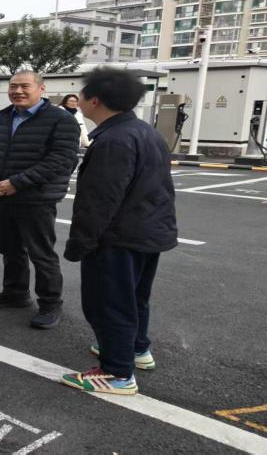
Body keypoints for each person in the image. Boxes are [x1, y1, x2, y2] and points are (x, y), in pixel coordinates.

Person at [60, 68, 177, 395]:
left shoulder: (113, 140)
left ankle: (116, 373)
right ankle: (137, 349)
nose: (78, 99)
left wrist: (80, 244)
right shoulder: (144, 131)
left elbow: (99, 202)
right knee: (134, 297)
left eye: (81, 94)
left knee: (108, 303)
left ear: (94, 100)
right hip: (148, 232)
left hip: (118, 237)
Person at [0, 71, 80, 329]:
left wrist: (16, 183)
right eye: (13, 86)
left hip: (36, 198)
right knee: (10, 249)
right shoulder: (3, 116)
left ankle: (50, 303)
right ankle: (15, 293)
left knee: (41, 253)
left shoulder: (61, 119)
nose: (18, 91)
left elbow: (61, 160)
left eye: (25, 86)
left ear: (41, 89)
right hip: (2, 195)